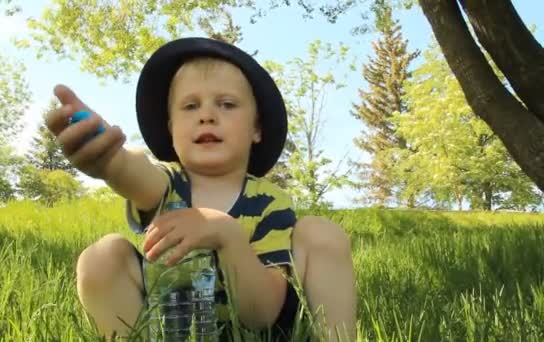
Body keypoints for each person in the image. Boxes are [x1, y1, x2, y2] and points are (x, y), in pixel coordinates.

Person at [46, 37, 356, 341]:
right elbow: (136, 174)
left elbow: (261, 315)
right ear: (171, 129)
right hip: (174, 323)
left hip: (259, 331)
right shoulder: (169, 184)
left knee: (321, 232)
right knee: (101, 256)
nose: (207, 115)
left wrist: (226, 234)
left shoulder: (270, 203)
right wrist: (110, 159)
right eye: (190, 106)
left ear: (256, 129)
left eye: (227, 104)